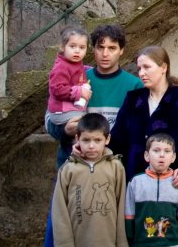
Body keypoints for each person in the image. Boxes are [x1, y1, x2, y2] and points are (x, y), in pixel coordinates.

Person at [45, 23, 144, 246]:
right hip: (74, 166)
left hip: (114, 171)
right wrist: (65, 130)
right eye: (100, 47)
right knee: (61, 226)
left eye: (112, 48)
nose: (105, 54)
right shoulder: (76, 78)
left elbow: (138, 133)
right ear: (93, 49)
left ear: (122, 50)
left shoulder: (134, 86)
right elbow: (50, 121)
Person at [110, 45, 178, 243]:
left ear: (163, 67)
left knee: (177, 240)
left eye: (147, 67)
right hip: (138, 186)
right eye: (139, 69)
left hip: (176, 185)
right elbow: (116, 140)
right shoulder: (133, 99)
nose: (141, 73)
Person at [51, 112, 129, 247]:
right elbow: (60, 212)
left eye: (97, 140)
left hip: (109, 240)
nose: (91, 146)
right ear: (77, 139)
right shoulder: (68, 169)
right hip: (78, 240)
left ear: (107, 139)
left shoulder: (116, 167)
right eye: (86, 140)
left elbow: (122, 206)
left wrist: (122, 243)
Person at [125, 133, 178, 246]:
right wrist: (129, 239)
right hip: (141, 243)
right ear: (146, 156)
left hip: (172, 243)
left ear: (173, 157)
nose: (162, 155)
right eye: (156, 150)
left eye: (167, 151)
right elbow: (129, 213)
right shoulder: (135, 182)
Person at [46, 26, 91, 146]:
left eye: (82, 48)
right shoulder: (61, 67)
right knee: (87, 126)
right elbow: (57, 89)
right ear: (62, 47)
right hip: (61, 111)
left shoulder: (75, 63)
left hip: (69, 109)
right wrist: (79, 92)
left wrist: (87, 70)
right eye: (72, 46)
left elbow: (77, 71)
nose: (77, 51)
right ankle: (78, 149)